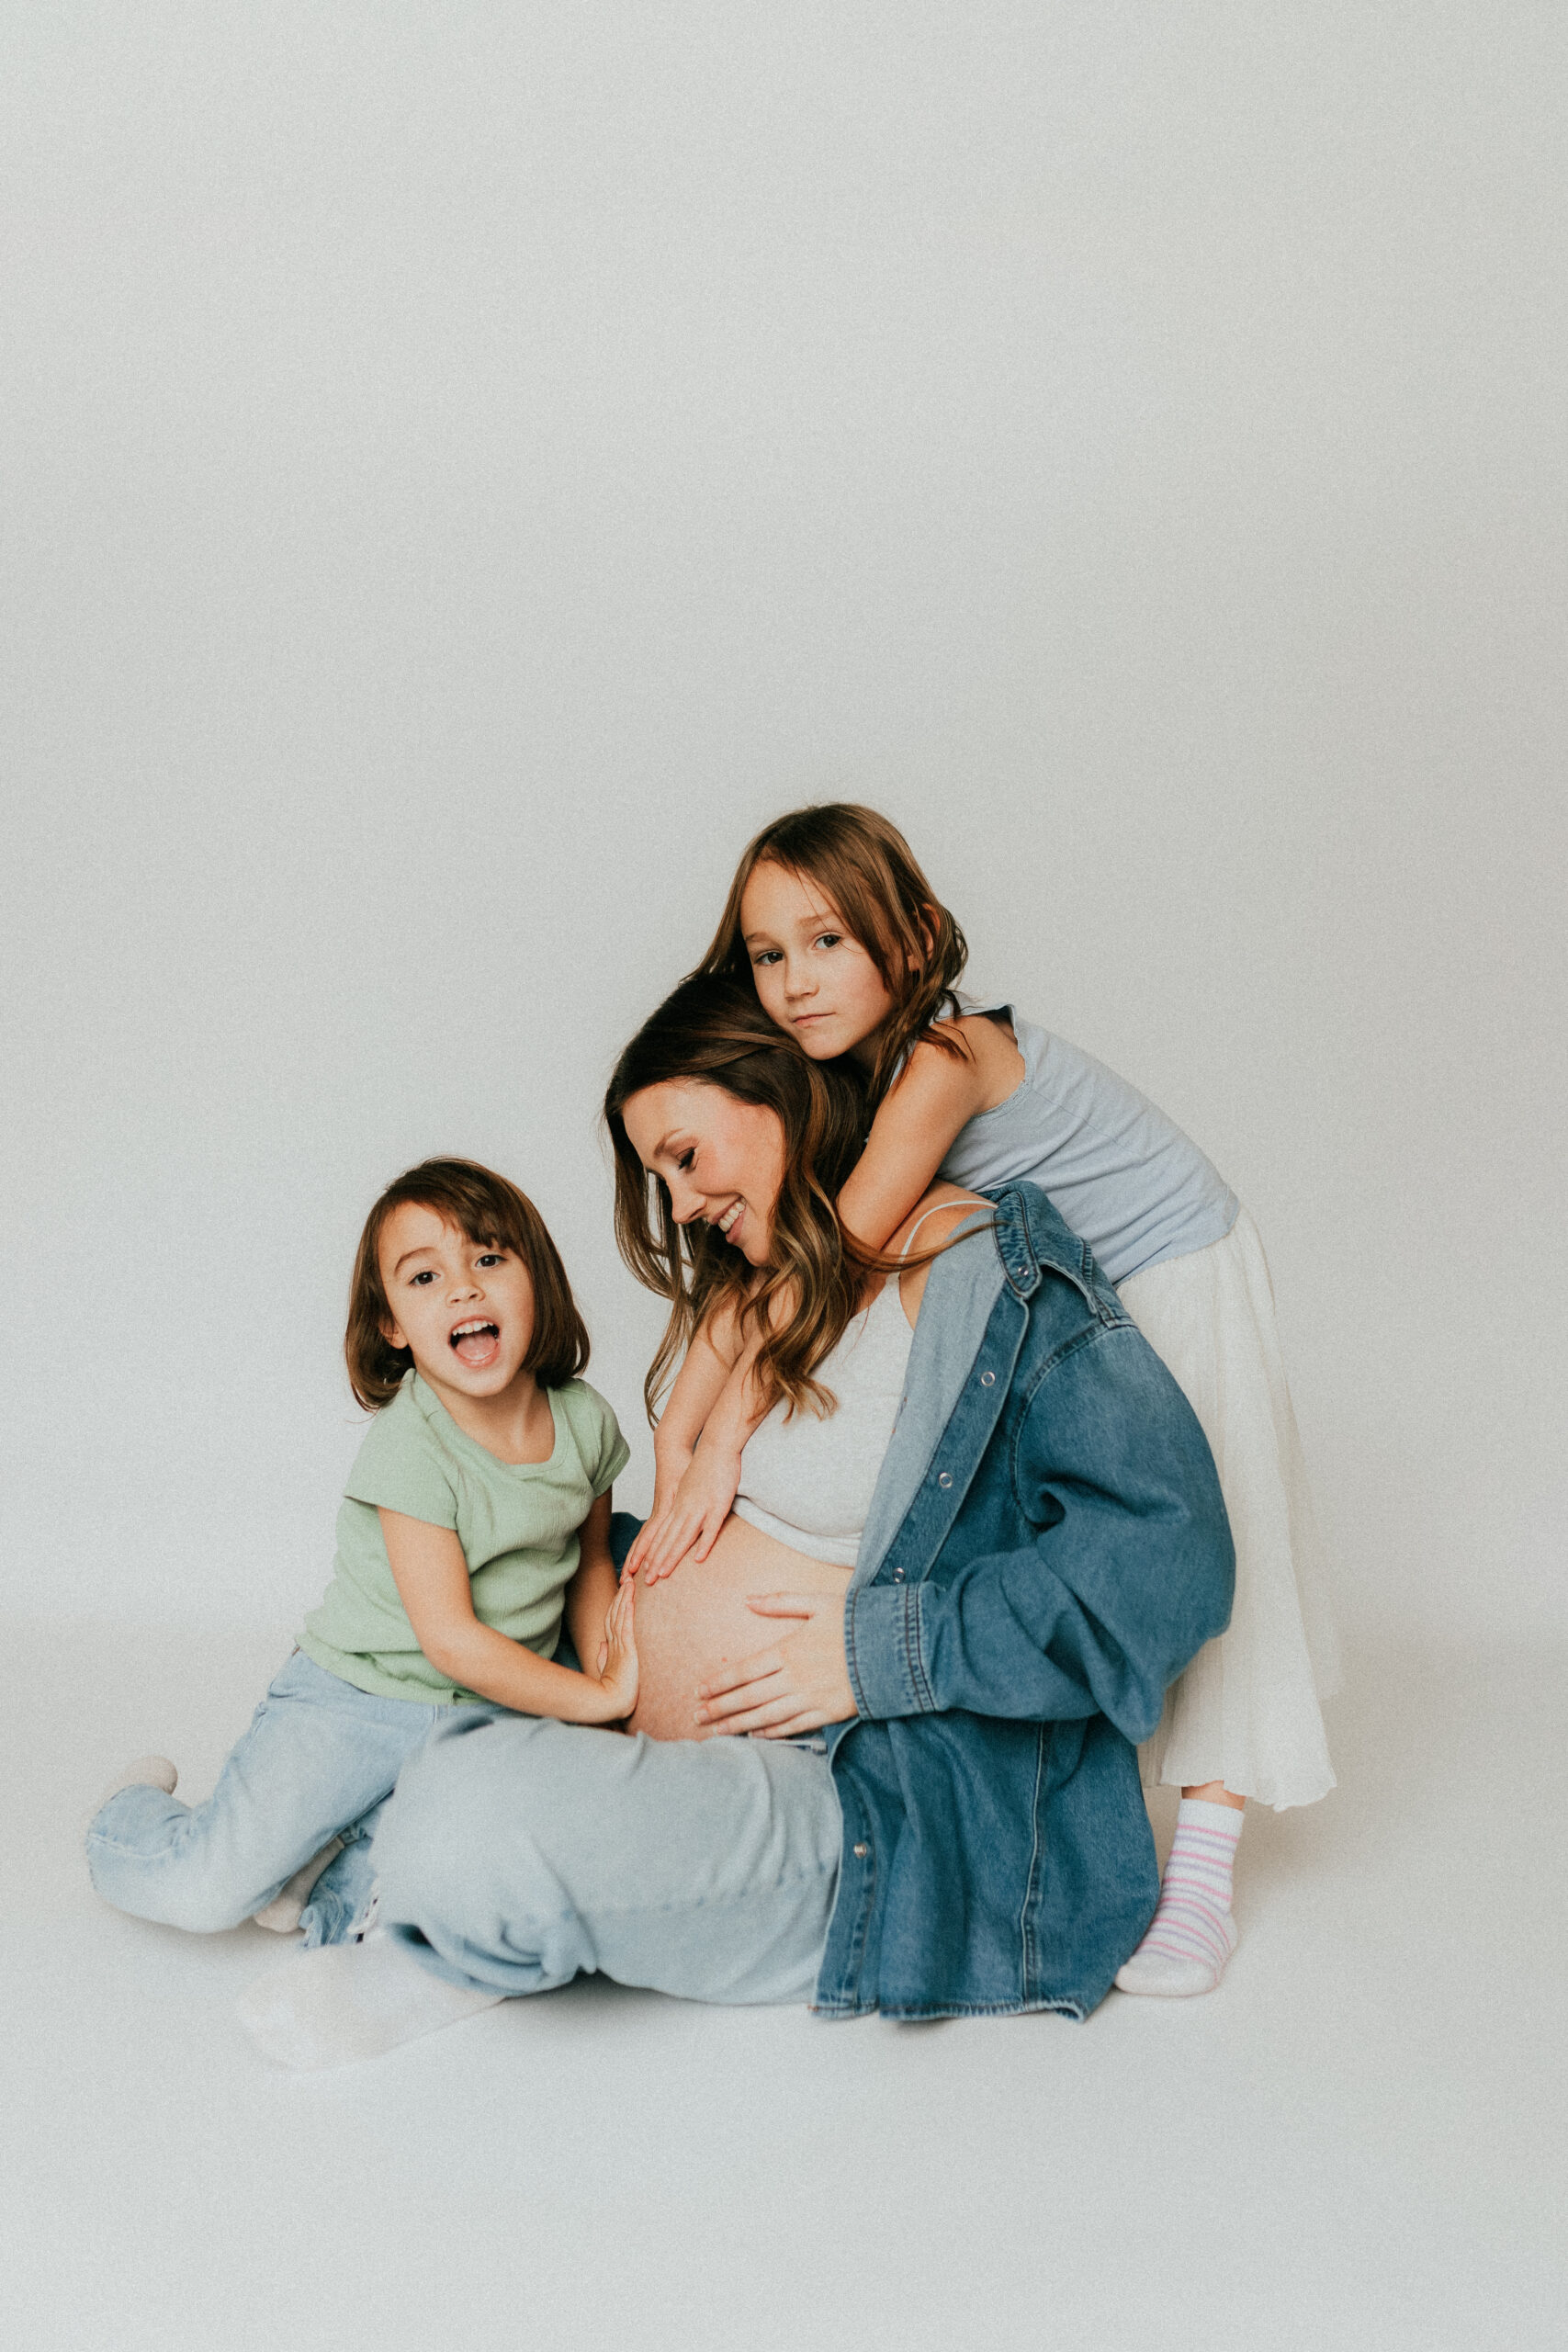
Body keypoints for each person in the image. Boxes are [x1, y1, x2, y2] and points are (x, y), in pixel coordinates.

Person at [234, 978, 1233, 2070]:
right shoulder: (775, 1295)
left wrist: (877, 1651)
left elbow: (1165, 1551)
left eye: (683, 1155)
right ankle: (465, 1886)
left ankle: (444, 1945)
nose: (678, 1204)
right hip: (639, 1735)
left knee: (457, 1812)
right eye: (656, 1174)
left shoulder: (982, 1269)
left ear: (783, 1093)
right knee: (388, 1713)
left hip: (850, 1794)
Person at [627, 803, 1339, 1997]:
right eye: (765, 954)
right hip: (1083, 1282)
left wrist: (724, 1441)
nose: (794, 982)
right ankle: (1105, 1814)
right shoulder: (838, 1081)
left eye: (826, 942)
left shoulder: (943, 1065)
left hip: (1175, 1257)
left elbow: (830, 1262)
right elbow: (755, 1298)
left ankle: (1205, 1871)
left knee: (1224, 1536)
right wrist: (673, 1437)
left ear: (911, 942)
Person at [85, 1158, 634, 1948]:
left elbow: (589, 1563)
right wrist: (595, 1699)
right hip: (359, 1696)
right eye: (423, 1277)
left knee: (414, 1897)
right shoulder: (412, 1445)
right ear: (392, 1328)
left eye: (488, 1259)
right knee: (207, 1892)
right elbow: (450, 1639)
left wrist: (610, 1675)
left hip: (491, 1711)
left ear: (536, 1280)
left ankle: (320, 1869)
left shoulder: (584, 1422)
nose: (463, 1289)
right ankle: (127, 1821)